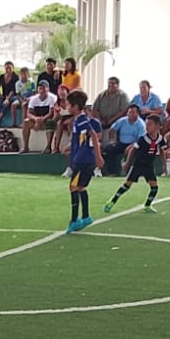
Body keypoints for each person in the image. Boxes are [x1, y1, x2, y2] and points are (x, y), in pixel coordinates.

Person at [105, 114, 168, 214]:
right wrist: (127, 163)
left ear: (157, 126)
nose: (147, 127)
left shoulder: (160, 139)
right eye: (146, 124)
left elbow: (162, 151)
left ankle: (147, 205)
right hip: (138, 165)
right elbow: (132, 150)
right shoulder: (143, 139)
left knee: (154, 187)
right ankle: (111, 202)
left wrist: (164, 165)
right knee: (126, 185)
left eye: (149, 124)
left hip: (149, 166)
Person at [63, 90, 101, 234]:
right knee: (80, 187)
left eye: (69, 105)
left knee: (73, 187)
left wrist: (98, 156)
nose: (67, 107)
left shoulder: (82, 120)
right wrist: (71, 147)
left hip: (83, 159)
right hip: (83, 158)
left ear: (75, 106)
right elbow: (81, 138)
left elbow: (93, 135)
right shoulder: (78, 120)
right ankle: (85, 216)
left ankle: (75, 220)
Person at [104, 103, 146, 177]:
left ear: (137, 114)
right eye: (129, 112)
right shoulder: (123, 120)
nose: (130, 114)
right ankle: (113, 172)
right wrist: (112, 141)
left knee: (132, 151)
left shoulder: (141, 124)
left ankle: (128, 171)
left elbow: (140, 139)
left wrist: (132, 145)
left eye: (132, 112)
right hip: (121, 143)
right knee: (109, 149)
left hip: (134, 144)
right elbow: (112, 129)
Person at [21, 82, 59, 155]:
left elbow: (51, 113)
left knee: (50, 122)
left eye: (44, 88)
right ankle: (25, 147)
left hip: (47, 120)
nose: (42, 91)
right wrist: (36, 119)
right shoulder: (33, 99)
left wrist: (42, 119)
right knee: (26, 122)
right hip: (36, 120)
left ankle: (48, 147)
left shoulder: (52, 97)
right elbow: (29, 113)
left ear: (48, 89)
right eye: (40, 88)